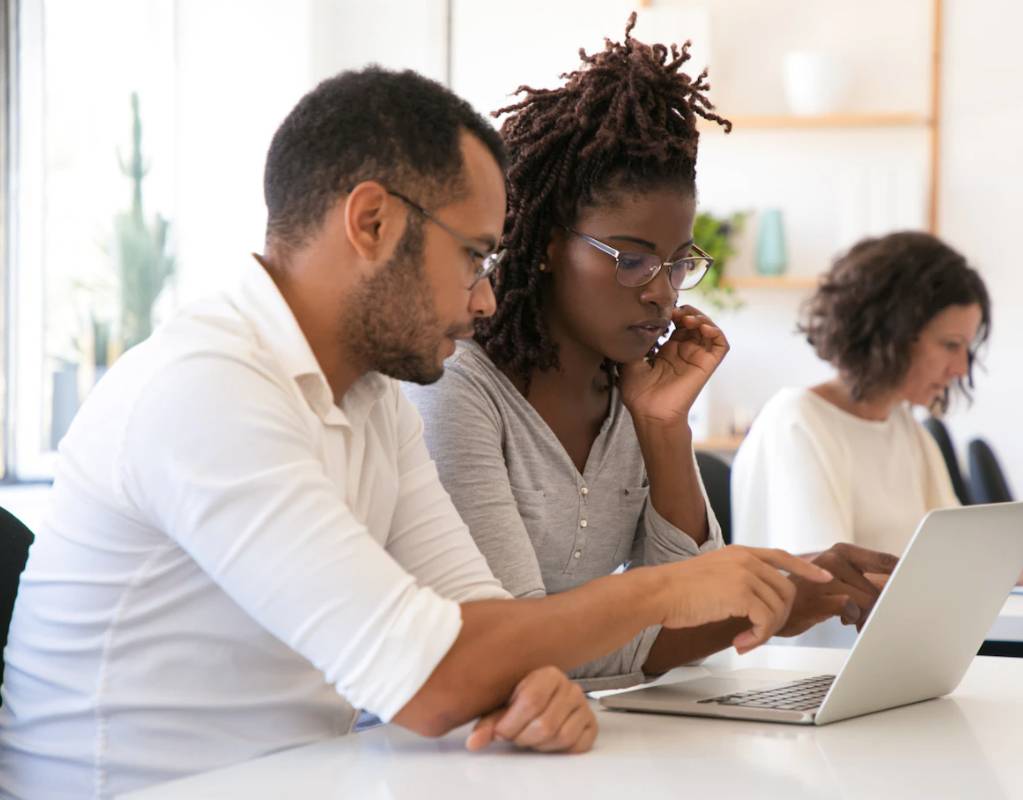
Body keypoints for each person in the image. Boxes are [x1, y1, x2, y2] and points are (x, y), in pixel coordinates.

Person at [0, 67, 835, 799]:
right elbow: (435, 678)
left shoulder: (374, 403)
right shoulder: (206, 390)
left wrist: (528, 685)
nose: (484, 299)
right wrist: (666, 590)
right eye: (475, 256)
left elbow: (486, 627)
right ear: (370, 223)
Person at [407, 16, 898, 690]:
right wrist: (768, 606)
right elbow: (514, 643)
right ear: (549, 244)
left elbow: (698, 603)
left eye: (677, 263)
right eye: (632, 260)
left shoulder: (630, 393)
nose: (661, 295)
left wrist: (663, 429)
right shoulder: (457, 388)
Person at [731, 231, 1023, 585]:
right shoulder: (797, 420)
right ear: (890, 335)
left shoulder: (904, 427)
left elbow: (961, 556)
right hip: (826, 650)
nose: (961, 369)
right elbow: (827, 583)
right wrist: (999, 574)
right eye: (951, 345)